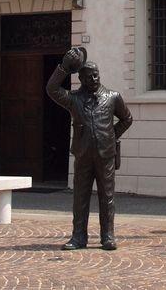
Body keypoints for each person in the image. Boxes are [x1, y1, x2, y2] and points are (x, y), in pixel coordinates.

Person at [46, 50, 133, 251]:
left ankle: (108, 236)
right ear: (81, 79)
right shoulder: (74, 99)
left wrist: (111, 135)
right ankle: (78, 237)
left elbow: (127, 119)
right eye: (89, 76)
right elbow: (51, 89)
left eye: (96, 75)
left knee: (107, 196)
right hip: (83, 155)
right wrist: (63, 67)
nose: (94, 79)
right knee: (80, 198)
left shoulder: (113, 97)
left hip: (105, 156)